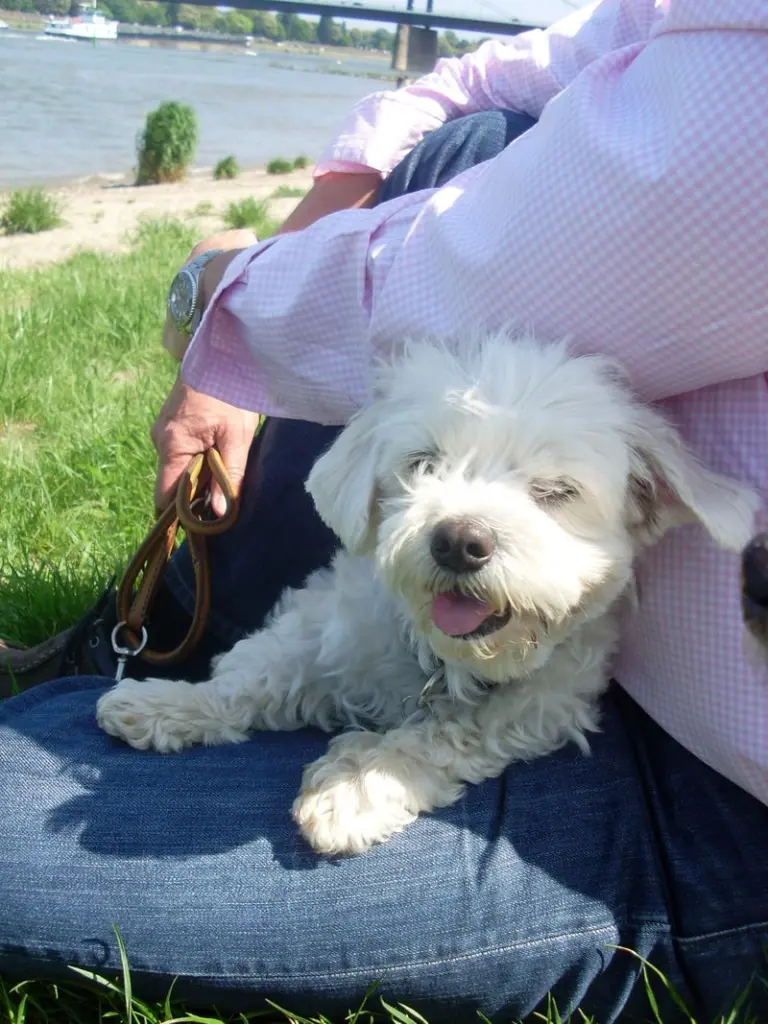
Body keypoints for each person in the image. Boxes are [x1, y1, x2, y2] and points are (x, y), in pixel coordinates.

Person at [1, 1, 767, 1020]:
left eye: (549, 492)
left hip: (715, 810)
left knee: (26, 828)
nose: (465, 523)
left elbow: (687, 174)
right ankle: (158, 649)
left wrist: (221, 291)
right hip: (603, 685)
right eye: (434, 475)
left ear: (649, 502)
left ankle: (126, 673)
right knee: (467, 146)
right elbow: (481, 82)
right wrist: (226, 704)